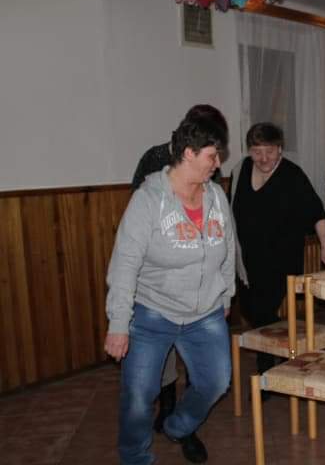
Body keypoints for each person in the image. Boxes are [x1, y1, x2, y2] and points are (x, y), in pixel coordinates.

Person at [105, 114, 236, 464]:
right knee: (138, 395)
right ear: (189, 153)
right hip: (153, 312)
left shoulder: (216, 197)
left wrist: (225, 294)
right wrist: (119, 324)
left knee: (216, 382)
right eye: (212, 156)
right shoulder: (148, 200)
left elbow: (228, 250)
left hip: (205, 313)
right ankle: (135, 457)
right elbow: (124, 265)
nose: (217, 164)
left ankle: (178, 426)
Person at [129, 104, 228, 435]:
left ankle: (185, 429)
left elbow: (218, 225)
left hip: (201, 293)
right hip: (159, 289)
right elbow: (138, 214)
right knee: (160, 368)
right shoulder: (154, 159)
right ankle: (168, 408)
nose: (217, 162)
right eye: (213, 152)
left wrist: (225, 286)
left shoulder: (210, 173)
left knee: (207, 372)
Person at [230, 122, 325, 376]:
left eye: (269, 151)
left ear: (280, 149)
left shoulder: (292, 175)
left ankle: (267, 372)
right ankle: (282, 352)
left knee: (263, 311)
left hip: (280, 259)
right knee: (251, 310)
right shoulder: (241, 169)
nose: (263, 158)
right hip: (246, 260)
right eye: (257, 152)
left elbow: (317, 213)